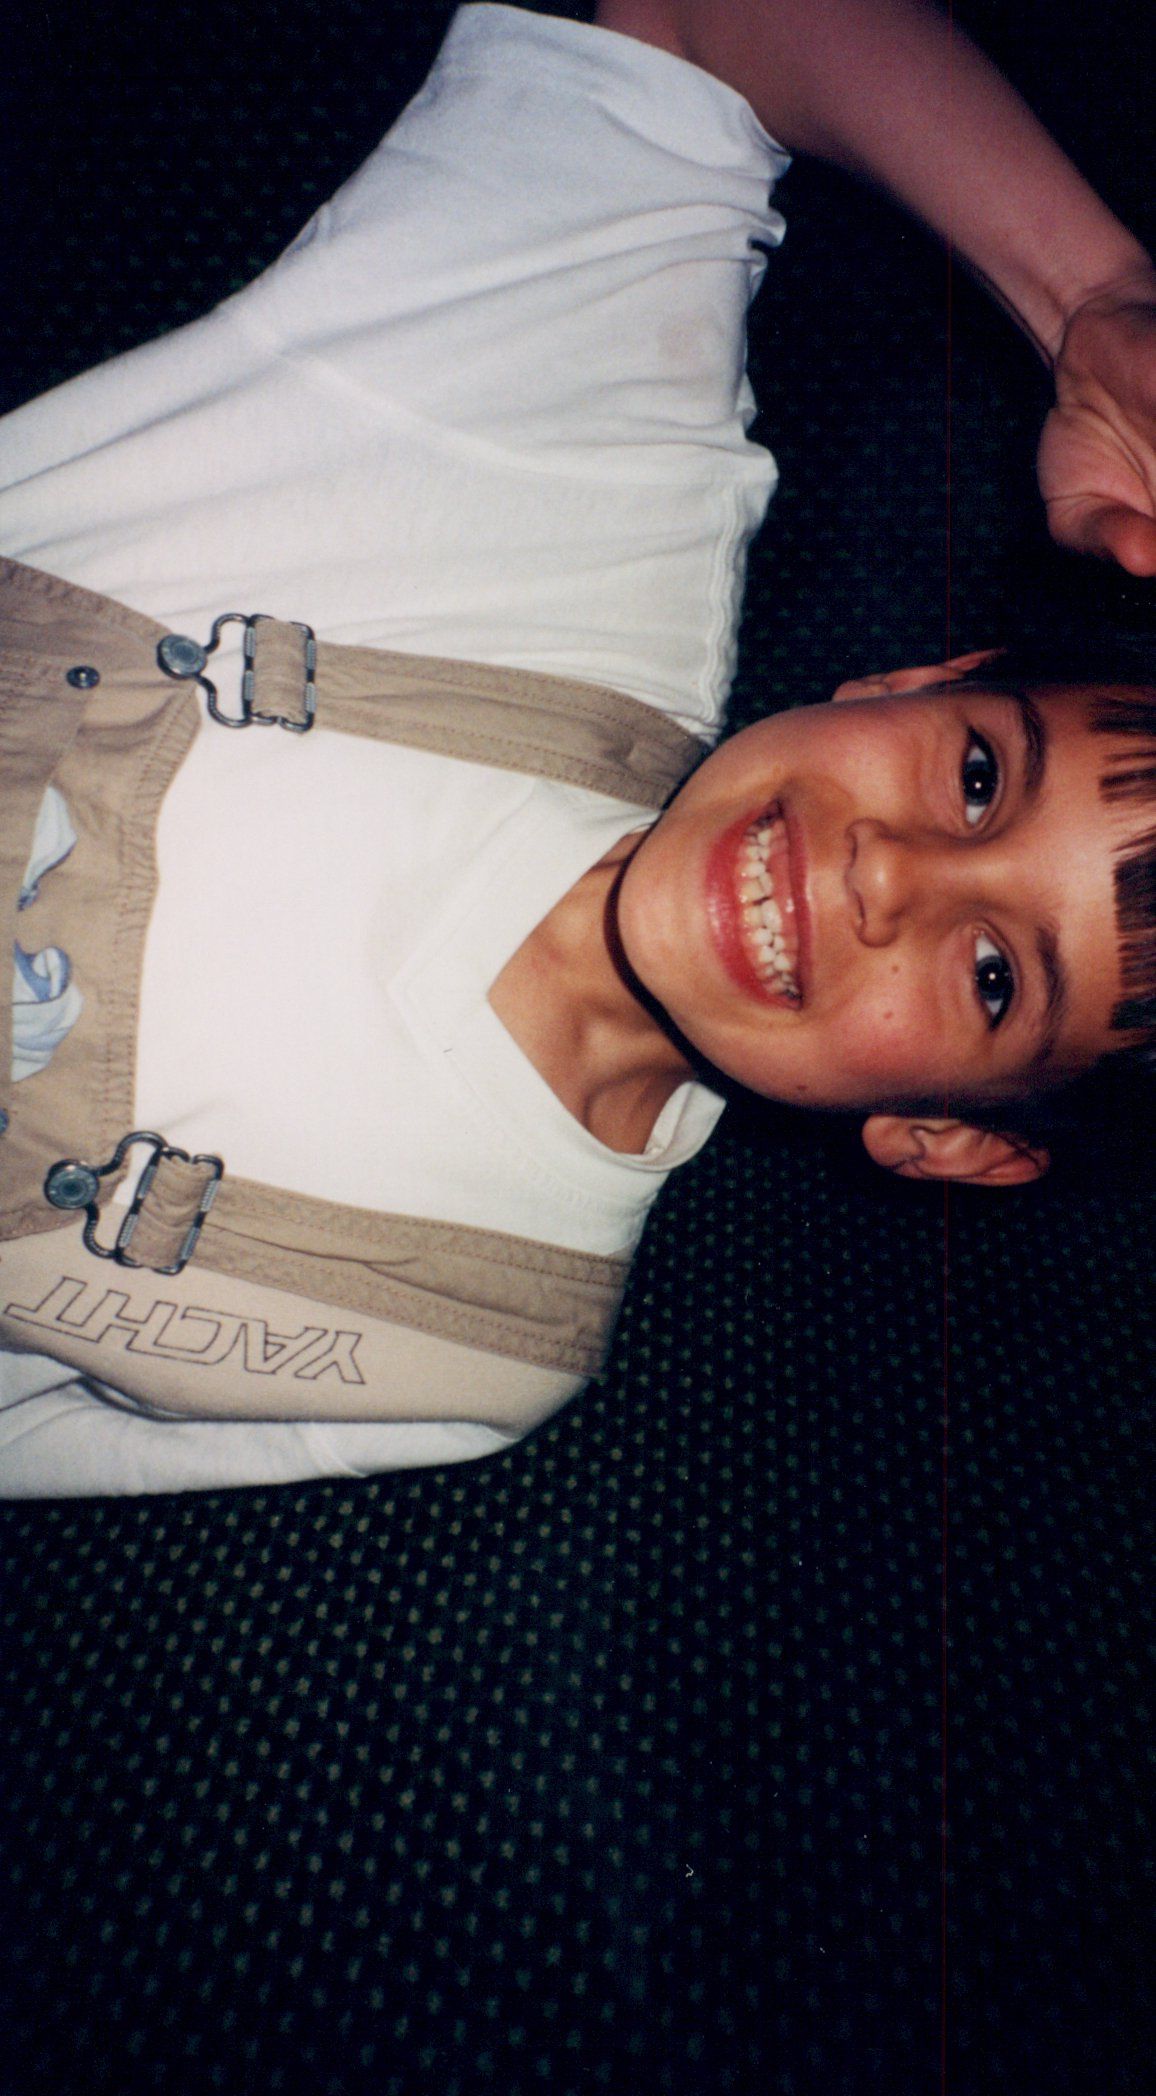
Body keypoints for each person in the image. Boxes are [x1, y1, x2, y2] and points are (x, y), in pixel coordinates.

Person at [1, 0, 1154, 1497]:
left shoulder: (466, 1354)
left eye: (995, 976)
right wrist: (1095, 297)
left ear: (947, 1136)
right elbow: (703, 23)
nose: (890, 876)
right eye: (980, 778)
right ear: (914, 682)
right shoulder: (581, 506)